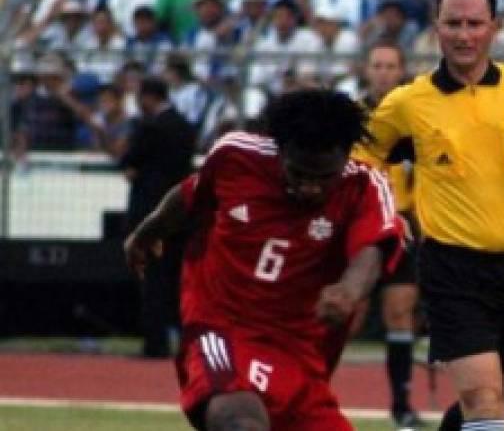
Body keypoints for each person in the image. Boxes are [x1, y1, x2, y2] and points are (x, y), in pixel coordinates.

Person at [357, 0, 504, 430]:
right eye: (453, 23)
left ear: (494, 29)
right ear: (436, 29)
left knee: (503, 413)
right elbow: (362, 157)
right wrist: (387, 212)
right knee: (484, 402)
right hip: (452, 269)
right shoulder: (408, 102)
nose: (464, 35)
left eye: (474, 24)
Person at [123, 90, 405, 430]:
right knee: (240, 421)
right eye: (299, 174)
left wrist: (349, 289)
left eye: (323, 178)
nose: (310, 189)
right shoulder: (235, 156)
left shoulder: (366, 186)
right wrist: (147, 232)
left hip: (300, 352)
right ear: (280, 150)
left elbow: (372, 247)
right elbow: (190, 194)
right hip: (221, 325)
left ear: (346, 156)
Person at [361, 42, 422, 428]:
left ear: (401, 71)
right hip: (359, 222)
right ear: (367, 70)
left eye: (390, 65)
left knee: (400, 313)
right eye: (377, 65)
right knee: (340, 315)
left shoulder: (415, 114)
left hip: (401, 222)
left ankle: (401, 406)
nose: (383, 72)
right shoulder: (351, 116)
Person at [120, 76, 197, 358]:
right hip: (183, 214)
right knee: (180, 279)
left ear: (148, 97)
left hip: (151, 213)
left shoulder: (149, 127)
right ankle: (187, 341)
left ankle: (156, 343)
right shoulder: (185, 127)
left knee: (153, 280)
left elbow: (128, 161)